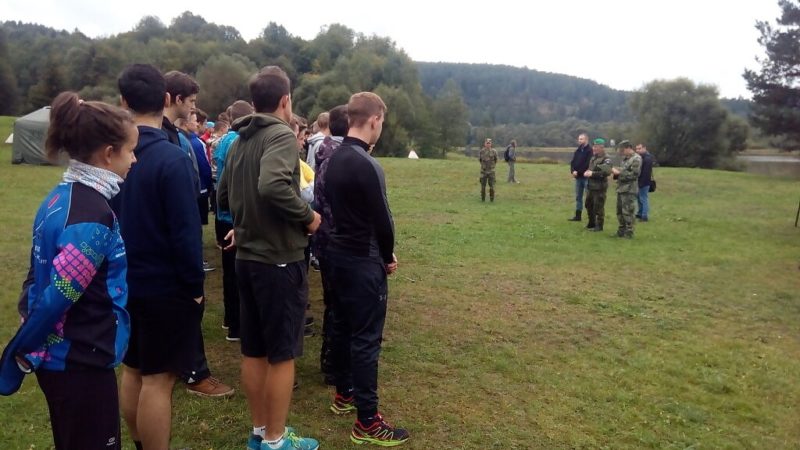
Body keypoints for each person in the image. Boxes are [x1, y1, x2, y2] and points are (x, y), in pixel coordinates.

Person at [0, 92, 137, 450]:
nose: (134, 159)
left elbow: (35, 276)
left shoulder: (60, 196)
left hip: (69, 359)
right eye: (130, 150)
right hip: (80, 361)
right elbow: (56, 298)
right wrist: (20, 349)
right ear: (109, 153)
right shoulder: (92, 217)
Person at [216, 66, 321, 450]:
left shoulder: (240, 137)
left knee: (254, 348)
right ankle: (276, 442)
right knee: (282, 354)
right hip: (278, 259)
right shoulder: (279, 133)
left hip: (247, 258)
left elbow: (223, 196)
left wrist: (244, 223)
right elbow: (272, 184)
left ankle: (260, 433)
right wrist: (309, 217)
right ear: (285, 101)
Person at [113, 63, 211, 450]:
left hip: (121, 281)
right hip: (164, 286)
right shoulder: (173, 159)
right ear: (167, 99)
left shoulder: (109, 155)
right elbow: (186, 233)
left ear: (123, 101)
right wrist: (194, 287)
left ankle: (137, 442)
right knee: (158, 379)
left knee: (133, 367)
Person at [325, 92, 410, 446]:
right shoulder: (366, 164)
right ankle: (367, 421)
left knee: (343, 326)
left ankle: (344, 392)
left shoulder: (334, 157)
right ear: (373, 120)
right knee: (365, 338)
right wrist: (388, 255)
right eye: (382, 123)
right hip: (362, 260)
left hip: (337, 256)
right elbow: (383, 221)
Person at [162, 70, 232, 397]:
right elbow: (180, 216)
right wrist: (193, 277)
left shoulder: (167, 139)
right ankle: (194, 372)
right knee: (188, 309)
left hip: (154, 254)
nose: (194, 110)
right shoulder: (169, 144)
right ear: (174, 99)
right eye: (190, 103)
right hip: (167, 255)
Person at [311, 104, 349, 385]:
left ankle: (329, 360)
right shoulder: (341, 159)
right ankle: (334, 366)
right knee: (340, 305)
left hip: (324, 240)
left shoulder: (323, 153)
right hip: (338, 242)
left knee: (332, 303)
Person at [213, 100, 254, 342]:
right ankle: (240, 325)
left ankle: (231, 320)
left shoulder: (221, 142)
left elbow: (219, 179)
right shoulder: (241, 142)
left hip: (222, 213)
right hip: (237, 215)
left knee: (229, 271)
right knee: (241, 271)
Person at [612, 140, 642, 238]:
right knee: (619, 211)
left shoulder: (636, 159)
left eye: (623, 150)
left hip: (629, 189)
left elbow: (634, 175)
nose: (622, 152)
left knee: (628, 211)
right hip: (621, 188)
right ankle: (621, 230)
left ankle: (629, 232)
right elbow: (623, 170)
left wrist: (619, 173)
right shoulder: (625, 159)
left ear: (628, 148)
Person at [582, 138, 613, 231]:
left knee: (598, 207)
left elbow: (606, 173)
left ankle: (599, 226)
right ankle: (591, 223)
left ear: (602, 147)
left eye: (596, 147)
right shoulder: (593, 157)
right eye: (593, 146)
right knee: (588, 205)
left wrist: (592, 174)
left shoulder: (606, 159)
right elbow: (591, 169)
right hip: (591, 186)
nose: (594, 148)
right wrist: (588, 172)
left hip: (599, 187)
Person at [568, 133, 592, 221]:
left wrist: (579, 172)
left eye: (581, 139)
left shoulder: (590, 151)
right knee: (578, 196)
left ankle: (591, 217)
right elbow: (572, 162)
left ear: (586, 140)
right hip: (578, 178)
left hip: (586, 177)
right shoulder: (577, 150)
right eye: (579, 139)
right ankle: (578, 216)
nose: (579, 141)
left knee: (589, 197)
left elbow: (587, 164)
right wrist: (573, 170)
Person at [635, 143, 654, 222]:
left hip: (644, 182)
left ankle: (644, 216)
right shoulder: (641, 158)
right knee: (639, 198)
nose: (638, 150)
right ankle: (640, 213)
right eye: (637, 149)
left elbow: (646, 173)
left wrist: (641, 183)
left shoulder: (647, 159)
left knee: (643, 198)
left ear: (644, 148)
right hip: (639, 181)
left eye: (639, 148)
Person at [478, 138, 498, 202]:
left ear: (491, 144)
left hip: (491, 171)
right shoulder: (482, 151)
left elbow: (496, 160)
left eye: (489, 143)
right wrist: (483, 166)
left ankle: (491, 199)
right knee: (483, 186)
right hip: (483, 171)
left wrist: (492, 167)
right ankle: (483, 199)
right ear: (485, 144)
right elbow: (480, 160)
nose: (488, 144)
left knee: (492, 186)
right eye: (487, 143)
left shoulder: (494, 151)